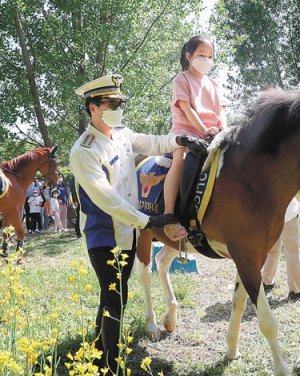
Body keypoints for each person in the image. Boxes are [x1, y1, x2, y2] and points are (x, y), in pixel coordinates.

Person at [69, 74, 208, 372]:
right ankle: (111, 365)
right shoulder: (84, 151)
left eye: (120, 102)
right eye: (112, 103)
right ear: (93, 107)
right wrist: (149, 220)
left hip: (128, 232)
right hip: (104, 236)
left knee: (114, 294)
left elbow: (153, 142)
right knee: (116, 297)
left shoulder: (120, 133)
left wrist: (180, 139)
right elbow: (108, 200)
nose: (119, 108)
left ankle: (96, 347)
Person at [162, 35, 227, 241]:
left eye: (210, 56)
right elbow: (186, 107)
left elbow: (222, 110)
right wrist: (204, 129)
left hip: (213, 133)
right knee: (180, 160)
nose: (206, 59)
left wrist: (222, 129)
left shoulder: (214, 84)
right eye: (201, 55)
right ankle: (169, 216)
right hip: (185, 134)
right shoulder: (182, 79)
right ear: (189, 56)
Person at [261, 198, 300, 301]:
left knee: (271, 250)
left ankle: (267, 281)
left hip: (270, 215)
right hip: (289, 213)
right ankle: (296, 290)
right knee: (292, 253)